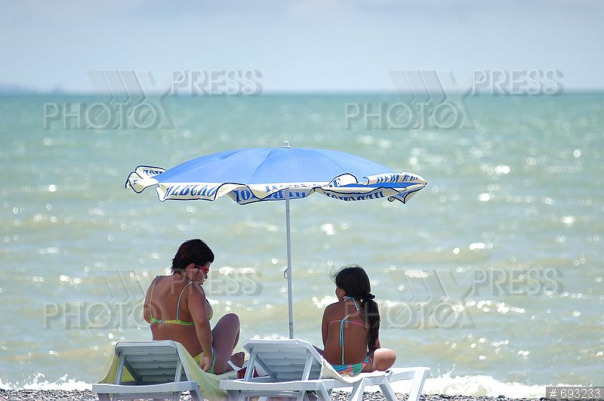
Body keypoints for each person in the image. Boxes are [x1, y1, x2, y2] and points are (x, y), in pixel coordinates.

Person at [143, 239, 244, 374]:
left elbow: (147, 316)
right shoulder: (192, 289)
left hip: (165, 361)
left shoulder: (156, 283)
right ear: (191, 267)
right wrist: (207, 355)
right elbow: (201, 321)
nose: (206, 277)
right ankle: (226, 365)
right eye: (205, 270)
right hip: (198, 364)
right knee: (231, 319)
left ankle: (225, 361)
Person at [319, 265, 396, 376]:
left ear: (343, 290)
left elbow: (326, 343)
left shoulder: (329, 309)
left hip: (330, 366)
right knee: (390, 354)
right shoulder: (369, 309)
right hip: (357, 367)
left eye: (337, 287)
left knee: (311, 349)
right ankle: (365, 366)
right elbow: (374, 346)